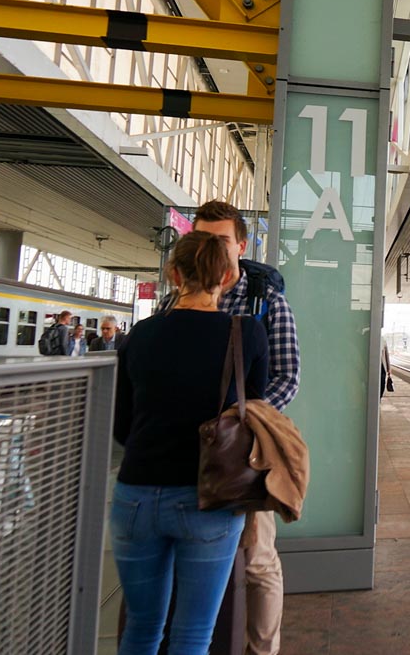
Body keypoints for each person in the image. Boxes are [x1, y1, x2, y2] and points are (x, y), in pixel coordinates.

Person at [112, 231, 269, 655]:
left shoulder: (139, 336)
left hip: (135, 497)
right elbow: (255, 411)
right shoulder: (248, 334)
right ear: (227, 276)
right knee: (195, 633)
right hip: (210, 499)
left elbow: (121, 426)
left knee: (141, 629)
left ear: (173, 273)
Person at [159, 200, 299, 655]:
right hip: (182, 453)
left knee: (257, 560)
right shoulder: (172, 302)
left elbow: (286, 377)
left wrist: (240, 424)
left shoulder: (267, 303)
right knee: (183, 560)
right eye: (200, 240)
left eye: (219, 241)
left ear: (241, 245)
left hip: (244, 453)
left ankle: (262, 649)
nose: (209, 249)